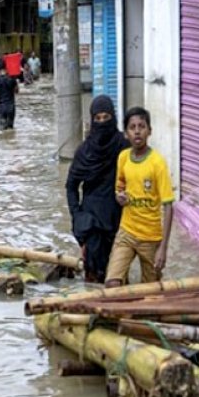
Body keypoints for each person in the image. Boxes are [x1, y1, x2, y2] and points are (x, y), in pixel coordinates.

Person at [105, 107, 174, 286]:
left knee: (150, 293)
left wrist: (163, 249)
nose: (137, 131)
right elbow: (119, 186)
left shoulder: (157, 163)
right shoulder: (123, 158)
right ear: (126, 133)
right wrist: (118, 196)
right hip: (126, 232)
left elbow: (168, 206)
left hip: (151, 238)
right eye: (132, 127)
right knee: (112, 282)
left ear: (149, 131)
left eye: (141, 126)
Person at [65, 95, 129, 283]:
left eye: (106, 118)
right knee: (93, 277)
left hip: (118, 220)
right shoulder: (84, 152)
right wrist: (77, 216)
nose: (102, 123)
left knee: (118, 276)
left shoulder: (124, 147)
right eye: (97, 118)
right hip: (91, 222)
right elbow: (71, 186)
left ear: (113, 118)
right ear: (92, 120)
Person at [0, 61, 19, 131]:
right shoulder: (11, 79)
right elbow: (17, 91)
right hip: (11, 107)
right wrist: (15, 81)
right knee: (10, 129)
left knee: (2, 130)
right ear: (6, 68)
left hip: (2, 107)